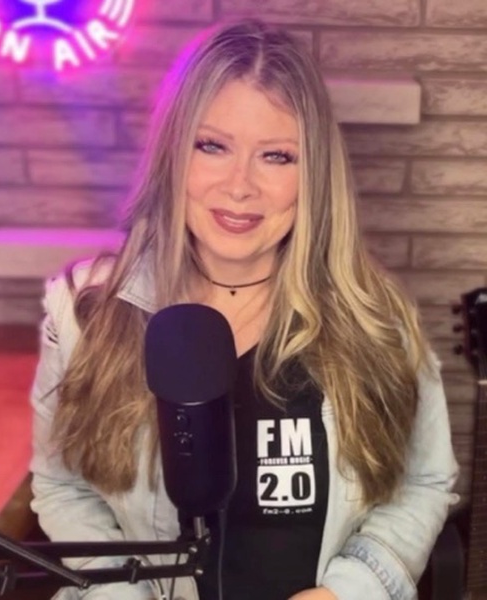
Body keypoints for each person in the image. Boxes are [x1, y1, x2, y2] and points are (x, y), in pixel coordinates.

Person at [29, 18, 459, 600]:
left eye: (277, 156)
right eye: (213, 146)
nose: (239, 186)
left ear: (314, 174)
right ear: (174, 152)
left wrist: (352, 589)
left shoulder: (376, 317)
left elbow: (423, 481)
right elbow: (65, 488)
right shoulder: (86, 311)